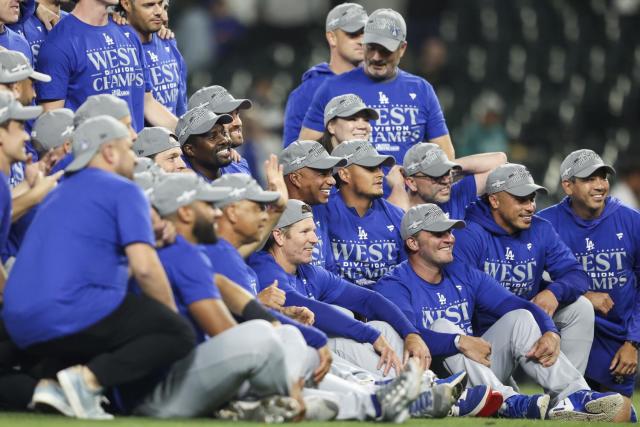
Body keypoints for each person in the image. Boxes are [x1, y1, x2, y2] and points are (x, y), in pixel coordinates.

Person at [3, 115, 195, 419]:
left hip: (17, 321)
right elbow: (145, 269)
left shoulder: (55, 195)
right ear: (109, 152)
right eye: (129, 149)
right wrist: (169, 321)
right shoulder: (123, 189)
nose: (134, 158)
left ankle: (51, 389)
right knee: (179, 334)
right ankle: (84, 382)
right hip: (71, 311)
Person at [374, 203, 625, 421]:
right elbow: (411, 337)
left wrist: (550, 331)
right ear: (413, 242)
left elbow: (518, 304)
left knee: (522, 318)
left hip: (477, 369)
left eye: (449, 231)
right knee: (443, 326)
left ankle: (577, 397)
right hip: (434, 383)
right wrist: (458, 342)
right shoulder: (393, 284)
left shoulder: (463, 272)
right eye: (439, 233)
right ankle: (507, 402)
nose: (450, 238)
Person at [128, 173, 303, 421]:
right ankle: (282, 403)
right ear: (186, 213)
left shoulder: (175, 250)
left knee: (285, 334)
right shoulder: (182, 253)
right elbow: (225, 331)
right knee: (262, 336)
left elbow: (221, 284)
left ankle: (263, 405)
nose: (217, 213)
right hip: (159, 394)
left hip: (166, 380)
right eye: (209, 206)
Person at [453, 163, 594, 376]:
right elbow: (459, 299)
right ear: (494, 200)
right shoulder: (470, 235)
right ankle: (570, 394)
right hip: (482, 344)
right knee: (520, 317)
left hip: (526, 324)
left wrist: (553, 292)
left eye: (532, 198)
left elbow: (577, 275)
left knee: (581, 307)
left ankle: (566, 400)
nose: (530, 207)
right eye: (521, 199)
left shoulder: (540, 229)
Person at [539, 149, 640, 422]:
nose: (599, 185)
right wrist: (583, 294)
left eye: (603, 177)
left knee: (616, 419)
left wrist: (634, 341)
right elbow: (531, 281)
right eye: (589, 179)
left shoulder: (632, 221)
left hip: (617, 343)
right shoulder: (546, 223)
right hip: (568, 335)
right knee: (566, 416)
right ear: (568, 186)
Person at [300, 8, 454, 163]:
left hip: (406, 187)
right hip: (348, 186)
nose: (376, 57)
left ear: (402, 49)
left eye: (385, 50)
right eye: (371, 47)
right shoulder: (332, 88)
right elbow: (304, 152)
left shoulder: (421, 89)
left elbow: (446, 154)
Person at [34, 0, 178, 132]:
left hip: (134, 156)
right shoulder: (59, 43)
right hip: (94, 157)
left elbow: (147, 102)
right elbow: (53, 125)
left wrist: (189, 132)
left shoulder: (127, 33)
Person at [313, 140, 404, 286]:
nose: (380, 174)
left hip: (388, 301)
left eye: (380, 168)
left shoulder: (398, 216)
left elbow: (406, 276)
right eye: (370, 168)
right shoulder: (321, 212)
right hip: (339, 302)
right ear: (344, 174)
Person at [283, 3, 367, 147]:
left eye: (366, 33)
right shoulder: (308, 90)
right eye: (353, 34)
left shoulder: (379, 82)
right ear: (332, 37)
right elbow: (293, 157)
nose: (361, 41)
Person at [279, 139, 346, 269]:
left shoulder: (318, 209)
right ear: (296, 178)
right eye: (323, 174)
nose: (332, 180)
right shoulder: (270, 219)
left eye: (331, 173)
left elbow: (329, 272)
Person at [119, 0, 187, 116]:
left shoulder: (168, 42)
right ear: (126, 4)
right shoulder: (118, 49)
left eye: (161, 5)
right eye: (149, 5)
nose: (160, 12)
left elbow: (181, 111)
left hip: (173, 131)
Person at [403, 142, 507, 215]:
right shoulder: (397, 215)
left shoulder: (455, 196)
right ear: (412, 183)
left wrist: (448, 166)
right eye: (436, 176)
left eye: (447, 173)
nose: (446, 180)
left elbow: (499, 161)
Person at [187, 85, 252, 176]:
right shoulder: (181, 169)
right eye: (228, 116)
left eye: (237, 114)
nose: (238, 123)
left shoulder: (239, 164)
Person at [177, 106, 234, 182]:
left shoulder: (241, 166)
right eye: (212, 137)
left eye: (224, 133)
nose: (225, 140)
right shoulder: (185, 186)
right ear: (190, 150)